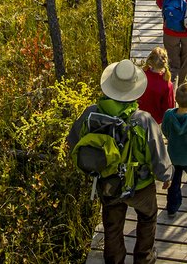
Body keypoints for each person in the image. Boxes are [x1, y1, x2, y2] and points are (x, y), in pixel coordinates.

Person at [67, 59, 172, 264]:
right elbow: (157, 154)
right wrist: (165, 176)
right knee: (148, 216)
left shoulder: (91, 114)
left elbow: (73, 142)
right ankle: (144, 258)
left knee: (112, 226)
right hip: (140, 185)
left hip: (108, 183)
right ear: (134, 90)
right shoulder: (143, 120)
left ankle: (114, 260)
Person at [160, 82, 187, 218]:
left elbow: (164, 130)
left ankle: (172, 209)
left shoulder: (168, 115)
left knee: (174, 183)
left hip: (173, 156)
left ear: (175, 99)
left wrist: (171, 137)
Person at [137, 47, 175, 124]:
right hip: (155, 120)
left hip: (138, 115)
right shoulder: (167, 85)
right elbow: (168, 108)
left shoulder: (141, 75)